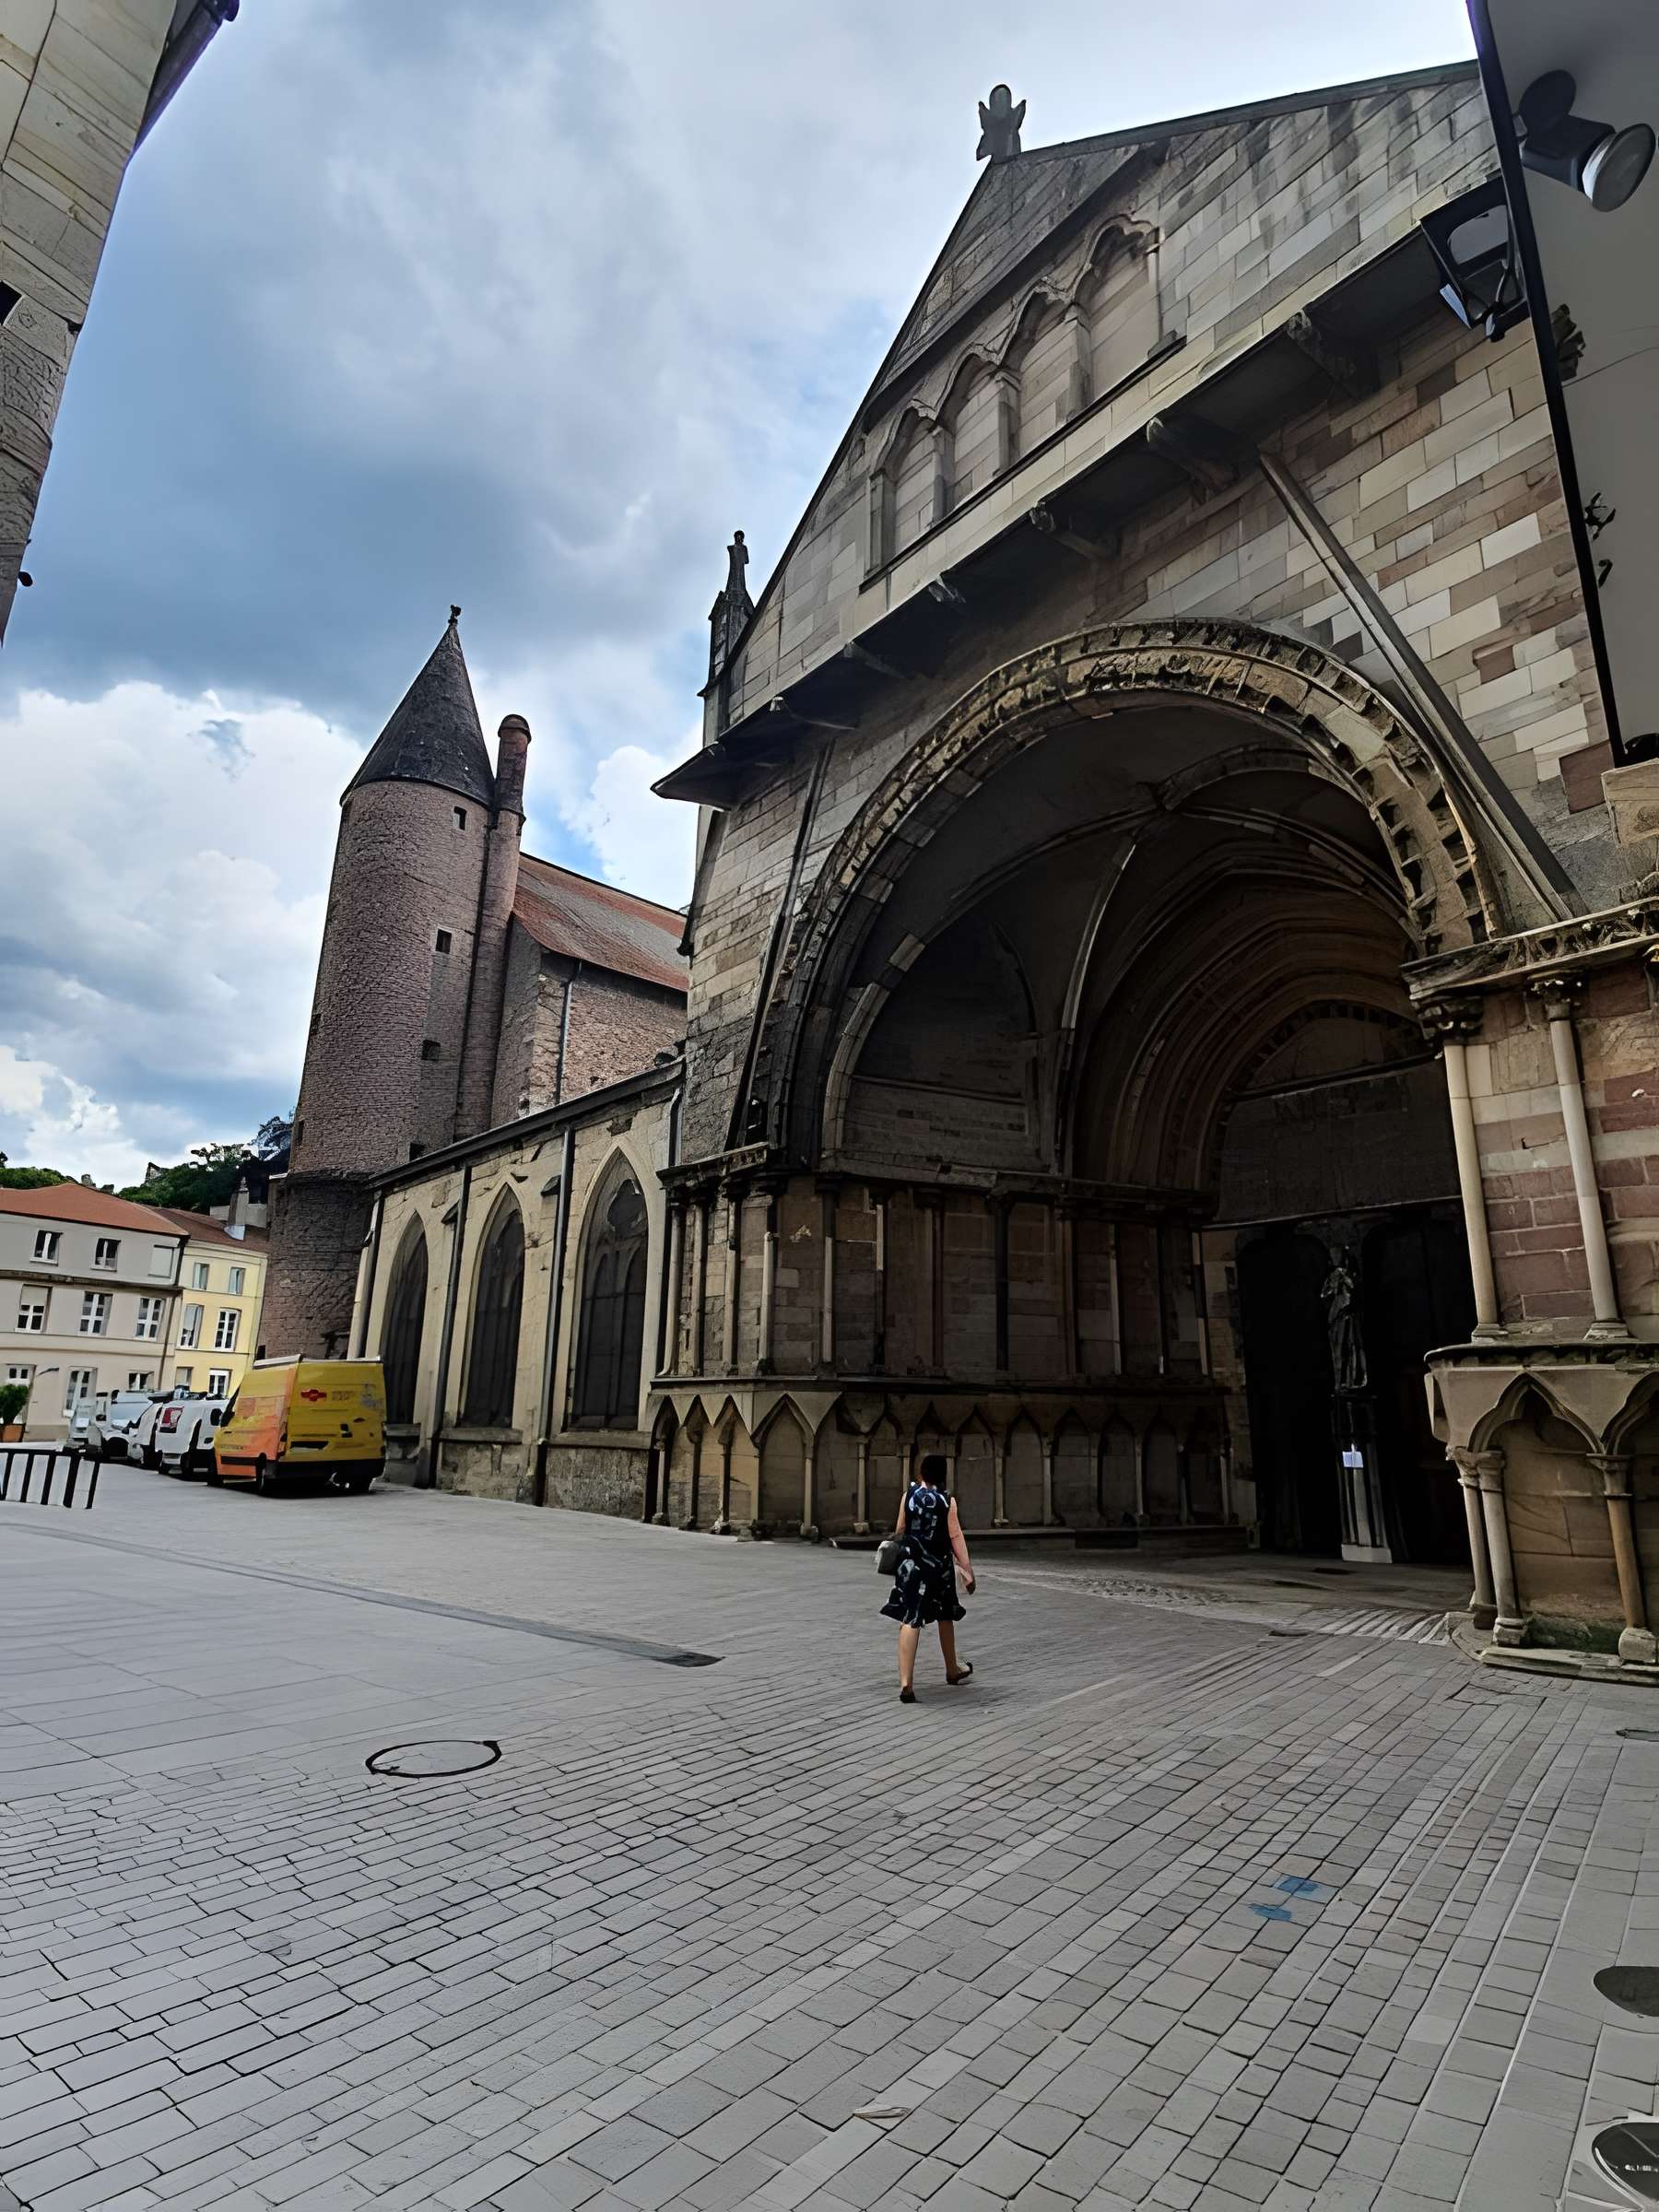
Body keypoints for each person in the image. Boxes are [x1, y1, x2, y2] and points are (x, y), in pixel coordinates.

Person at [880, 1453, 976, 1702]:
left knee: (910, 1618)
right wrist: (967, 1572)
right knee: (945, 1615)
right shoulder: (947, 1501)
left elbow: (900, 1528)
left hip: (911, 1565)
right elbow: (956, 1538)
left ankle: (906, 1683)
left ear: (920, 1473)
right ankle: (952, 1669)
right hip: (939, 1568)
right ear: (944, 1475)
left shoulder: (908, 1496)